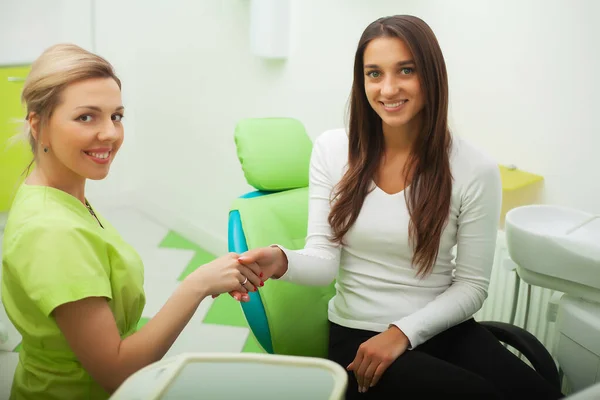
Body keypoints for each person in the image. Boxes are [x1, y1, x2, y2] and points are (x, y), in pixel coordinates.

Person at [235, 15, 564, 399]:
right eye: (374, 74)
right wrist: (280, 260)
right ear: (362, 82)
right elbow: (323, 260)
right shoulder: (332, 150)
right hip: (359, 339)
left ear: (431, 75)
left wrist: (402, 333)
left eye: (405, 70)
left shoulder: (474, 169)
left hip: (440, 328)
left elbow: (471, 286)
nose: (388, 88)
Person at [0, 43, 263, 400]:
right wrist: (197, 285)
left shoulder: (59, 197)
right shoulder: (52, 232)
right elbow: (117, 371)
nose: (109, 133)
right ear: (38, 125)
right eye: (86, 117)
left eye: (116, 116)